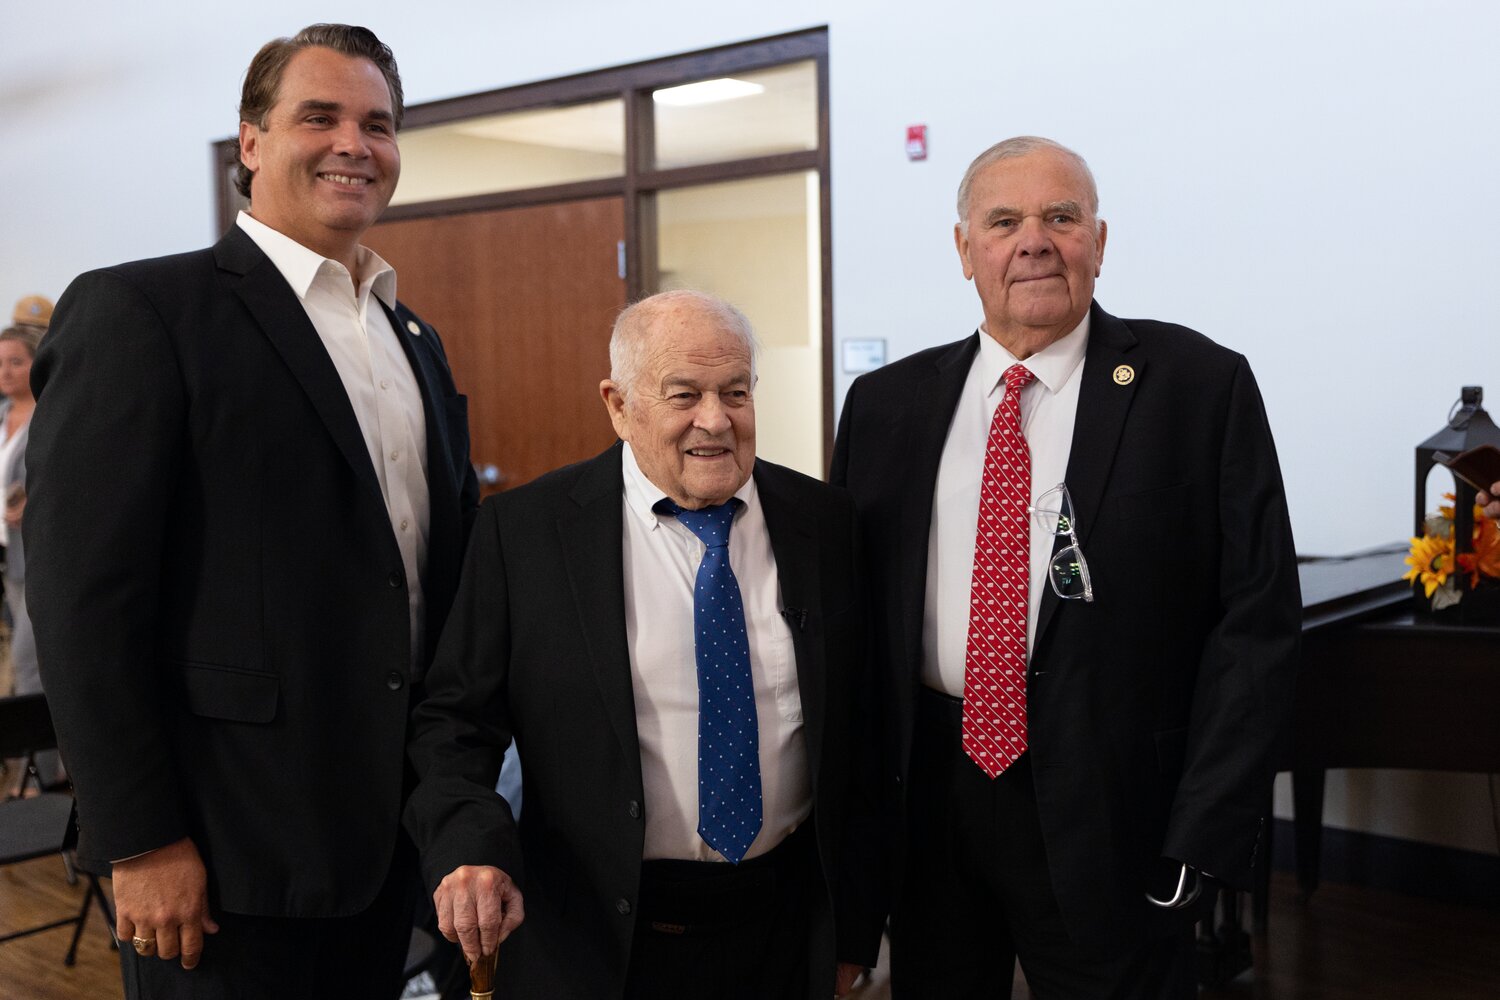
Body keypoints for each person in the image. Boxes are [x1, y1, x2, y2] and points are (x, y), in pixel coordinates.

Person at [28, 23, 478, 999]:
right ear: (252, 142)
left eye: (379, 124)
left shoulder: (414, 339)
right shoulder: (144, 314)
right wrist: (141, 837)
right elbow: (82, 602)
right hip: (223, 856)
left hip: (387, 847)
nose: (354, 144)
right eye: (319, 116)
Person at [830, 136, 1301, 998]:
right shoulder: (883, 407)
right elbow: (849, 632)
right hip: (930, 804)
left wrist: (1204, 830)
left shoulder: (1199, 388)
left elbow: (1258, 625)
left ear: (1100, 239)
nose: (1034, 241)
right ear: (965, 249)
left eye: (1061, 217)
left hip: (1117, 811)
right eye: (1004, 221)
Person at [404, 290, 882, 999]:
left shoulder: (824, 522)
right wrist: (471, 848)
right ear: (619, 404)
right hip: (598, 940)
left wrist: (853, 931)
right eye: (684, 394)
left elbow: (863, 736)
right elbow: (454, 724)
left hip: (783, 930)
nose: (715, 420)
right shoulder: (527, 535)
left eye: (736, 392)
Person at [0, 325, 50, 792]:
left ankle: (39, 776)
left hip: (38, 557)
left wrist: (33, 503)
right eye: (0, 363)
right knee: (22, 666)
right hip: (8, 562)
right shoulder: (2, 418)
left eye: (16, 361)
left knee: (31, 662)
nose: (6, 372)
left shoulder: (51, 414)